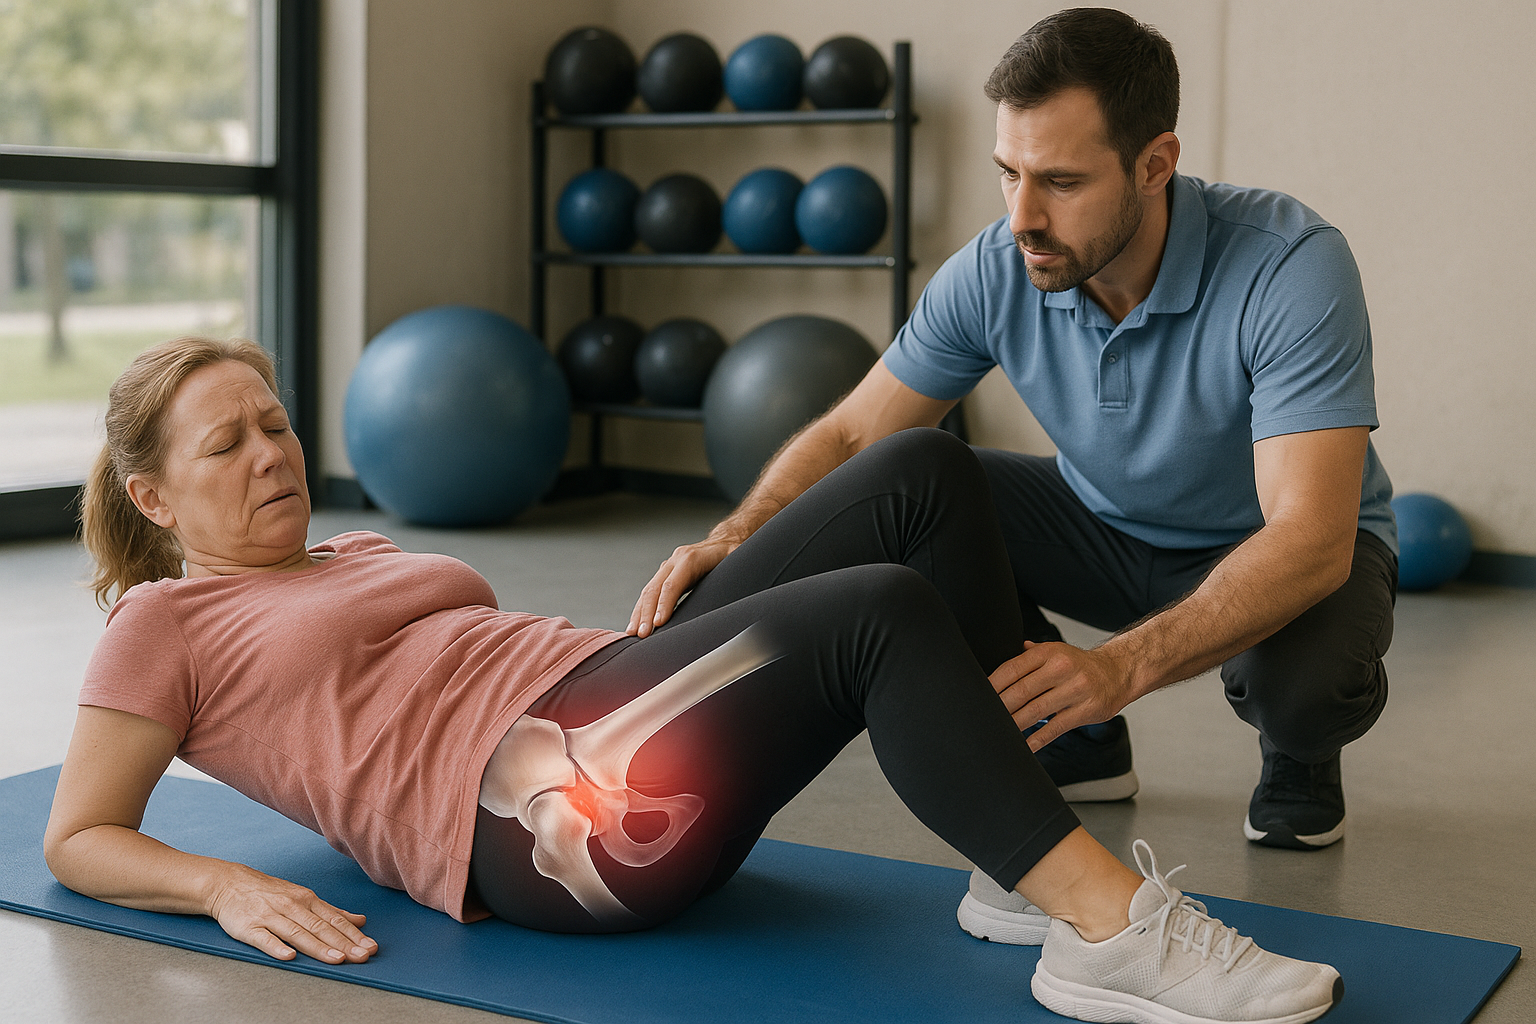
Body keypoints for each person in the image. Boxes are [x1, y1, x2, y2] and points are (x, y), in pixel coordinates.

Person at [44, 335, 1342, 1024]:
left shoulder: (356, 546)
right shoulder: (165, 617)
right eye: (228, 443)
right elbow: (80, 836)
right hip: (548, 819)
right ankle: (1107, 937)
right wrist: (218, 885)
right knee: (880, 611)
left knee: (924, 474)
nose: (270, 452)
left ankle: (1024, 854)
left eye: (273, 421)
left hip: (604, 692)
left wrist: (706, 571)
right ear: (155, 495)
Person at [629, 8, 1397, 921]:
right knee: (917, 474)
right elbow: (849, 438)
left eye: (1062, 182)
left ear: (1156, 164)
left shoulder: (1290, 266)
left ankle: (1300, 751)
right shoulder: (1000, 265)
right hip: (1099, 525)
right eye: (1010, 174)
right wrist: (737, 533)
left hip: (1274, 545)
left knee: (1299, 690)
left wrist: (1118, 665)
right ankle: (1078, 740)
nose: (1024, 217)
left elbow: (1310, 538)